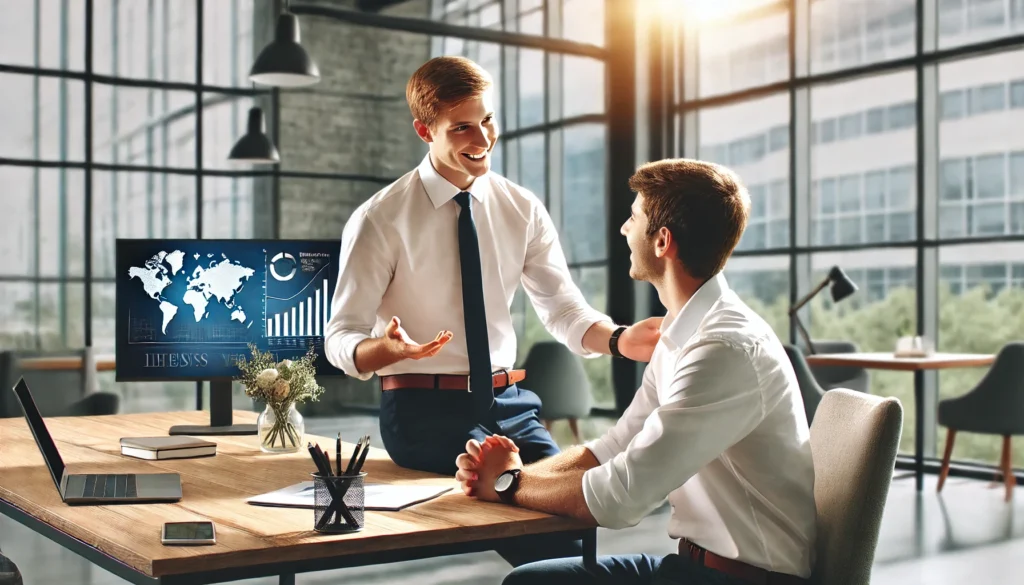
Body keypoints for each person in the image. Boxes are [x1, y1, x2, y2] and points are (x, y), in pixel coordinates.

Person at [323, 56, 661, 566]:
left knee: (575, 502)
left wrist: (618, 339)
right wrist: (383, 350)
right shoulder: (380, 218)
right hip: (423, 413)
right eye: (461, 126)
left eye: (487, 120)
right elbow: (339, 339)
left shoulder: (521, 208)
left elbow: (563, 307)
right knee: (539, 530)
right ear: (424, 130)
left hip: (511, 404)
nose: (481, 136)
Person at [454, 158, 818, 585]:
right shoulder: (682, 333)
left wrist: (509, 483)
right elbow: (610, 449)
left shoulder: (723, 350)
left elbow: (622, 498)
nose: (625, 229)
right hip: (691, 566)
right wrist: (509, 474)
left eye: (633, 217)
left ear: (663, 241)